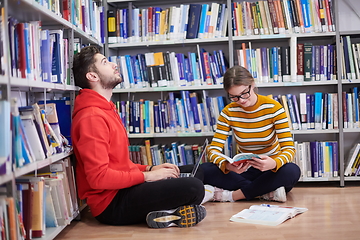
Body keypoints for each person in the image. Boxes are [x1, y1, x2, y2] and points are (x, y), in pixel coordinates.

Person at [71, 46, 206, 228]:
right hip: (111, 205)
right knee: (193, 187)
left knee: (196, 172)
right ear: (92, 76)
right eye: (105, 62)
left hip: (123, 190)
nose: (114, 64)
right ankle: (168, 213)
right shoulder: (92, 117)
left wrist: (150, 167)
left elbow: (118, 165)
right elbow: (99, 178)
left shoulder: (107, 109)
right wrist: (147, 176)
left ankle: (163, 213)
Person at [201, 65, 301, 203]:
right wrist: (227, 165)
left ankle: (232, 195)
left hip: (270, 170)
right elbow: (213, 150)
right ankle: (264, 192)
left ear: (252, 85)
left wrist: (274, 163)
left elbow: (289, 149)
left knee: (292, 171)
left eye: (244, 93)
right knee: (204, 169)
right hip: (244, 171)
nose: (241, 100)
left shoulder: (274, 108)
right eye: (234, 97)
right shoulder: (228, 112)